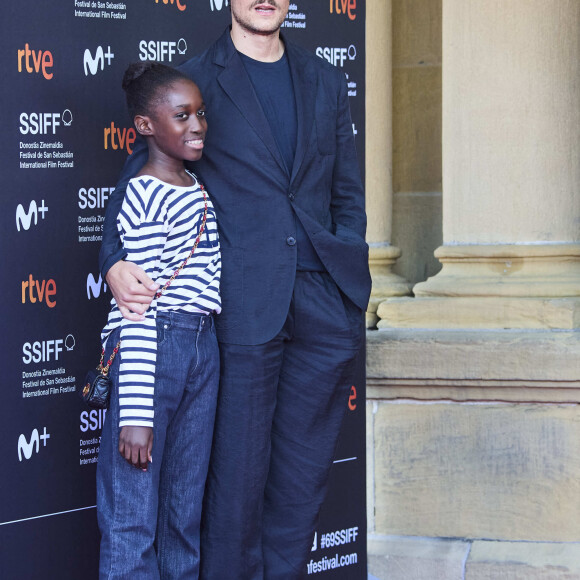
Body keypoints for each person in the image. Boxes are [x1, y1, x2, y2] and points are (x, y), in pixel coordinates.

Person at [100, 1, 371, 577]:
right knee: (236, 487)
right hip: (242, 308)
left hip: (323, 305)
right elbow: (140, 175)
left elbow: (346, 187)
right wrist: (114, 260)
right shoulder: (195, 81)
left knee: (300, 484)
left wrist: (350, 276)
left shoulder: (324, 78)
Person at [96, 61, 221, 579]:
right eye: (181, 115)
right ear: (146, 126)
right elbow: (138, 306)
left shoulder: (194, 184)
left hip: (201, 344)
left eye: (200, 114)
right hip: (157, 347)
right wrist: (136, 415)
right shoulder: (146, 193)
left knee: (181, 517)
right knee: (132, 517)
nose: (196, 125)